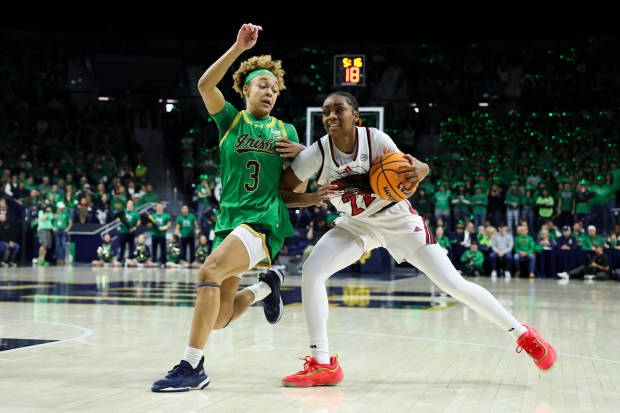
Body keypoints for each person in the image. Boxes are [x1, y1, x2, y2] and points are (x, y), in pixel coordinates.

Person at [277, 91, 556, 387]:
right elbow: (283, 193)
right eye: (326, 112)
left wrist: (422, 171)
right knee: (312, 270)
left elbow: (409, 172)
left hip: (396, 219)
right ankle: (322, 363)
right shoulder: (314, 154)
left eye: (339, 109)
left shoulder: (376, 140)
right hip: (355, 224)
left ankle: (524, 335)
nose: (331, 116)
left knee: (453, 284)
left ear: (356, 116)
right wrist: (310, 197)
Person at [151, 23, 318, 393]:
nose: (270, 93)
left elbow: (291, 190)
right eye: (263, 85)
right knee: (219, 317)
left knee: (207, 270)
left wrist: (304, 163)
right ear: (245, 90)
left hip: (263, 222)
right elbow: (204, 86)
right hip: (230, 223)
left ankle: (192, 367)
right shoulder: (230, 120)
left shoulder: (285, 130)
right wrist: (238, 48)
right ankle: (266, 286)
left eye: (275, 89)